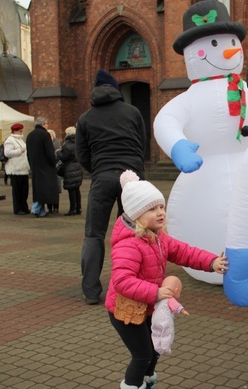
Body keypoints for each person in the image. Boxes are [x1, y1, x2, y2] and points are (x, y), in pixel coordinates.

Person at [107, 170, 229, 389]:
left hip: (148, 307)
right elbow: (122, 281)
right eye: (152, 209)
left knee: (154, 351)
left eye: (161, 206)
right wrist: (154, 291)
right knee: (142, 354)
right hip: (126, 310)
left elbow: (185, 252)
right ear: (137, 214)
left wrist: (211, 262)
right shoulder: (128, 244)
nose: (161, 212)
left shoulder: (158, 238)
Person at [77, 69, 147, 304]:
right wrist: (136, 171)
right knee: (132, 233)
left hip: (102, 178)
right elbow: (142, 144)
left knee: (94, 234)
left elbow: (82, 154)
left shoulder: (86, 117)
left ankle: (91, 291)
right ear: (116, 90)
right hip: (132, 177)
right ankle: (131, 284)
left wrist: (98, 170)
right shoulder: (133, 112)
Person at [25, 116, 58, 217]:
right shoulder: (45, 135)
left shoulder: (30, 135)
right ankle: (36, 209)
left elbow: (28, 153)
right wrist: (54, 161)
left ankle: (41, 211)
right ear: (43, 124)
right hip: (46, 166)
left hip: (35, 166)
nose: (48, 125)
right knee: (46, 189)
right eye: (47, 123)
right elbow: (49, 151)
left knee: (38, 189)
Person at [151, 275, 189, 355]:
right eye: (180, 292)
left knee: (156, 332)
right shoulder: (169, 299)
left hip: (155, 319)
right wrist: (183, 311)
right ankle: (165, 346)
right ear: (176, 290)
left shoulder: (159, 297)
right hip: (165, 320)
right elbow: (177, 307)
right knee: (167, 333)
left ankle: (157, 346)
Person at [3, 123, 31, 215]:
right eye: (20, 131)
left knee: (24, 190)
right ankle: (18, 208)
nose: (21, 132)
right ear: (15, 131)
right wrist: (20, 151)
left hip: (23, 168)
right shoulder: (10, 141)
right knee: (17, 191)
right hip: (15, 169)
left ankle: (24, 207)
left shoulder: (20, 140)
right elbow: (7, 153)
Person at [58, 126, 83, 216]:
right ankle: (78, 208)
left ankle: (72, 209)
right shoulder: (78, 143)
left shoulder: (67, 144)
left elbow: (64, 157)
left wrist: (58, 152)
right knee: (77, 189)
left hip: (70, 168)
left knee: (71, 189)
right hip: (78, 167)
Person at [47, 129, 62, 214]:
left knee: (56, 189)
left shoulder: (56, 145)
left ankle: (56, 207)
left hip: (56, 169)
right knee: (49, 189)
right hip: (49, 170)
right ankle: (49, 207)